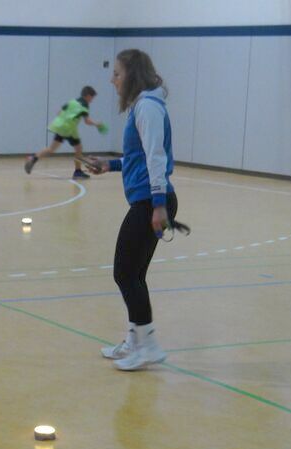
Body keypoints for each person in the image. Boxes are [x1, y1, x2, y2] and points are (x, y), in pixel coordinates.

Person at [98, 49, 177, 371]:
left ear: (132, 75)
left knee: (124, 273)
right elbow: (138, 156)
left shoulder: (147, 107)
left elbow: (156, 157)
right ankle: (136, 340)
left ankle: (150, 346)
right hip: (148, 199)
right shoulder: (143, 105)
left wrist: (158, 205)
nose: (112, 80)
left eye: (117, 73)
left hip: (151, 201)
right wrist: (110, 165)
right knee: (134, 274)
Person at [24, 86, 106, 180]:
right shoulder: (84, 105)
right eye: (92, 98)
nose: (92, 100)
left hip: (60, 126)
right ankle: (78, 172)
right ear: (88, 96)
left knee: (51, 149)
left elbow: (59, 112)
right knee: (78, 148)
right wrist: (97, 124)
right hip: (69, 129)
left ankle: (33, 158)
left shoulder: (72, 101)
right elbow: (87, 121)